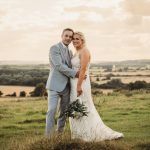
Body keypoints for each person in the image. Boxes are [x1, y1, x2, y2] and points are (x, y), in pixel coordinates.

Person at [69, 32, 124, 141]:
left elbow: (83, 70)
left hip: (81, 83)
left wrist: (79, 86)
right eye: (73, 39)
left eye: (77, 39)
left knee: (84, 107)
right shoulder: (76, 51)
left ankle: (89, 133)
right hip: (73, 83)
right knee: (75, 107)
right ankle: (79, 134)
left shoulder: (85, 51)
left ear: (82, 40)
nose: (74, 41)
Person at [45, 28, 79, 137]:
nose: (68, 38)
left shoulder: (69, 52)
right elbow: (59, 66)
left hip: (67, 87)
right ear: (62, 36)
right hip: (54, 85)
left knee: (63, 113)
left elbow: (71, 65)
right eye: (66, 36)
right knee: (51, 111)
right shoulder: (54, 48)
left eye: (70, 37)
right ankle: (49, 138)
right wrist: (75, 73)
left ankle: (59, 136)